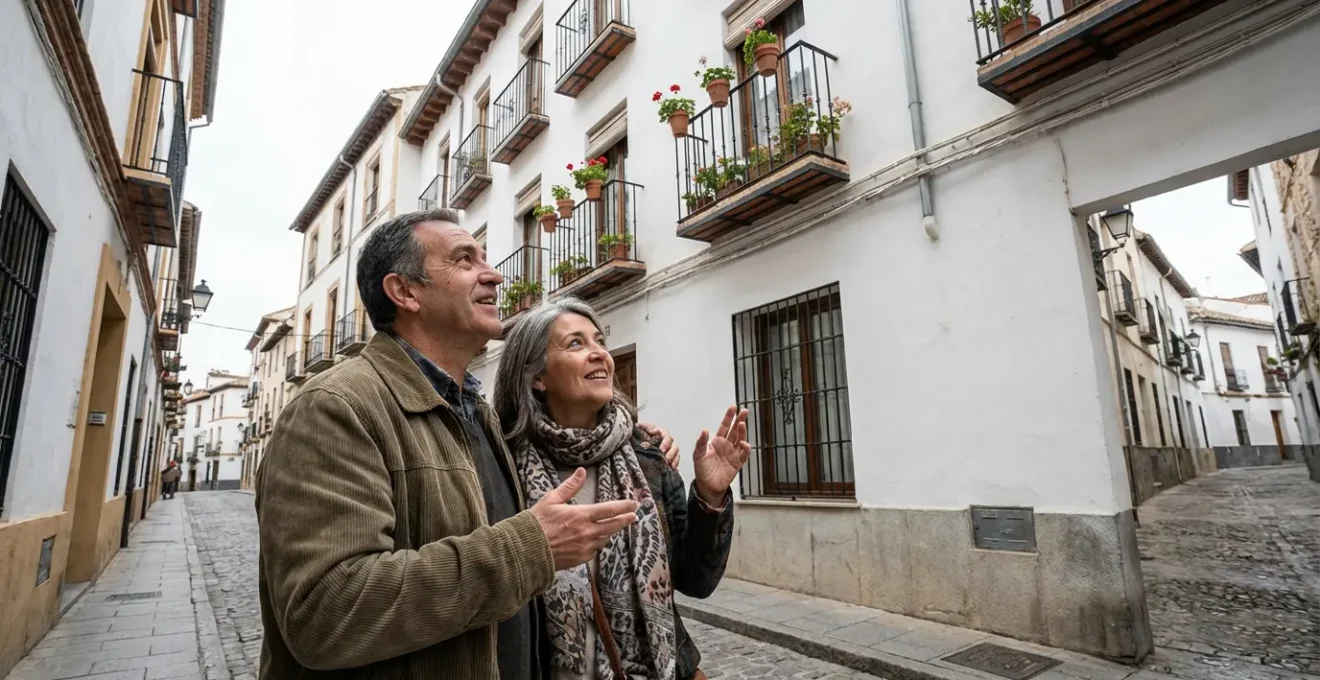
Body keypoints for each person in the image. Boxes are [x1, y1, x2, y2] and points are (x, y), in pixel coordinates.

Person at [253, 209, 676, 680]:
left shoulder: (478, 413)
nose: (493, 274)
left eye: (486, 258)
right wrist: (529, 548)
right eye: (464, 259)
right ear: (405, 291)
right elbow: (325, 613)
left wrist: (636, 442)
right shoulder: (335, 407)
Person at [493, 297, 750, 680]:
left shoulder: (648, 458)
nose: (599, 354)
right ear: (537, 377)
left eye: (600, 341)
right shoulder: (501, 466)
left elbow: (696, 580)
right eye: (576, 344)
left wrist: (710, 497)